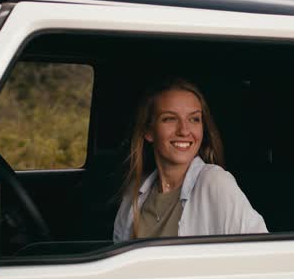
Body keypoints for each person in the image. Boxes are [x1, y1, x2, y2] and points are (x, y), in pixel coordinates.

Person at [113, 77, 267, 242]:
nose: (184, 131)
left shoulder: (215, 182)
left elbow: (260, 252)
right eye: (170, 118)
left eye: (194, 119)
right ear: (149, 131)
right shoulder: (134, 194)